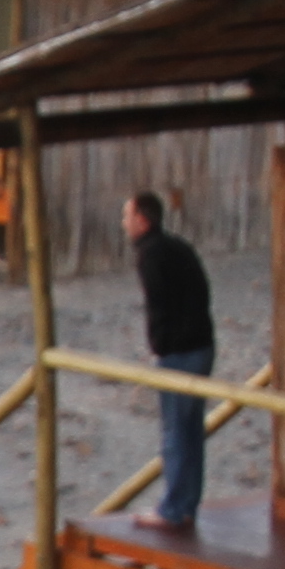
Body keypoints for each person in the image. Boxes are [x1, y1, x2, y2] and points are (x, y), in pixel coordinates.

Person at [126, 187, 218, 530]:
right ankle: (186, 504)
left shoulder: (152, 254)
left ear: (142, 219)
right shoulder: (176, 246)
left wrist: (161, 345)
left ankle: (173, 509)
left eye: (127, 216)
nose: (124, 223)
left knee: (177, 433)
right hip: (202, 346)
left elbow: (160, 305)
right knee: (191, 431)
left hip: (181, 353)